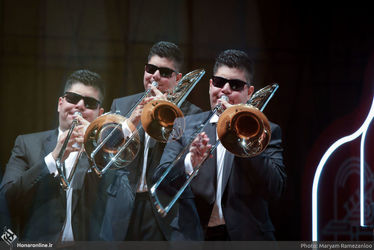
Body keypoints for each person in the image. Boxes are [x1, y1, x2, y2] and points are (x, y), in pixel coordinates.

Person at [157, 49, 287, 240]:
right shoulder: (182, 125)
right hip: (194, 237)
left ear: (249, 92)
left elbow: (276, 188)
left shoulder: (266, 130)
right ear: (210, 86)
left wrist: (246, 138)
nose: (225, 89)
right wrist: (188, 163)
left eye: (235, 85)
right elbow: (160, 180)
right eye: (219, 82)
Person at [94, 41, 203, 241]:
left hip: (165, 211)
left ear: (178, 79)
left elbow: (179, 159)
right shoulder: (122, 104)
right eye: (151, 69)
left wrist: (166, 113)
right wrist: (130, 124)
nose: (155, 76)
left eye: (164, 72)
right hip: (123, 209)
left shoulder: (191, 114)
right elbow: (104, 152)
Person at [0, 70, 105, 242]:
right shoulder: (27, 144)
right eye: (72, 98)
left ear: (99, 114)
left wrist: (94, 145)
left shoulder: (104, 151)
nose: (79, 105)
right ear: (60, 104)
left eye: (90, 102)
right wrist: (53, 157)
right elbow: (7, 198)